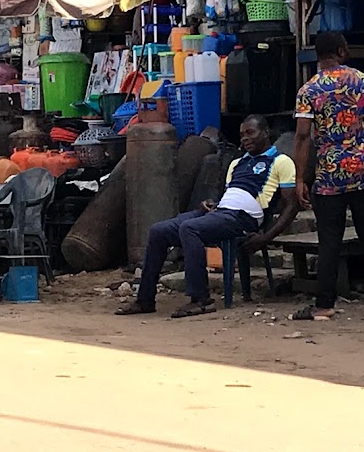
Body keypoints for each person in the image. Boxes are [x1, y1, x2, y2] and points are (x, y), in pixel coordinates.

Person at [117, 115, 299, 317]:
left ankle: (201, 299)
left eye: (250, 133)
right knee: (159, 231)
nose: (245, 139)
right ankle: (145, 299)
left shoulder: (281, 161)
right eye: (242, 135)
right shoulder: (237, 163)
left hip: (244, 217)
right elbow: (231, 194)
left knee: (190, 228)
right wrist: (212, 204)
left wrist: (266, 237)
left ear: (266, 133)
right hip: (223, 212)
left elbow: (291, 206)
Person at [292, 32, 364, 321]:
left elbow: (303, 136)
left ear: (317, 56)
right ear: (342, 51)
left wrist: (299, 178)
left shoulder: (309, 90)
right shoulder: (363, 81)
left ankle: (324, 305)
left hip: (329, 177)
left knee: (329, 241)